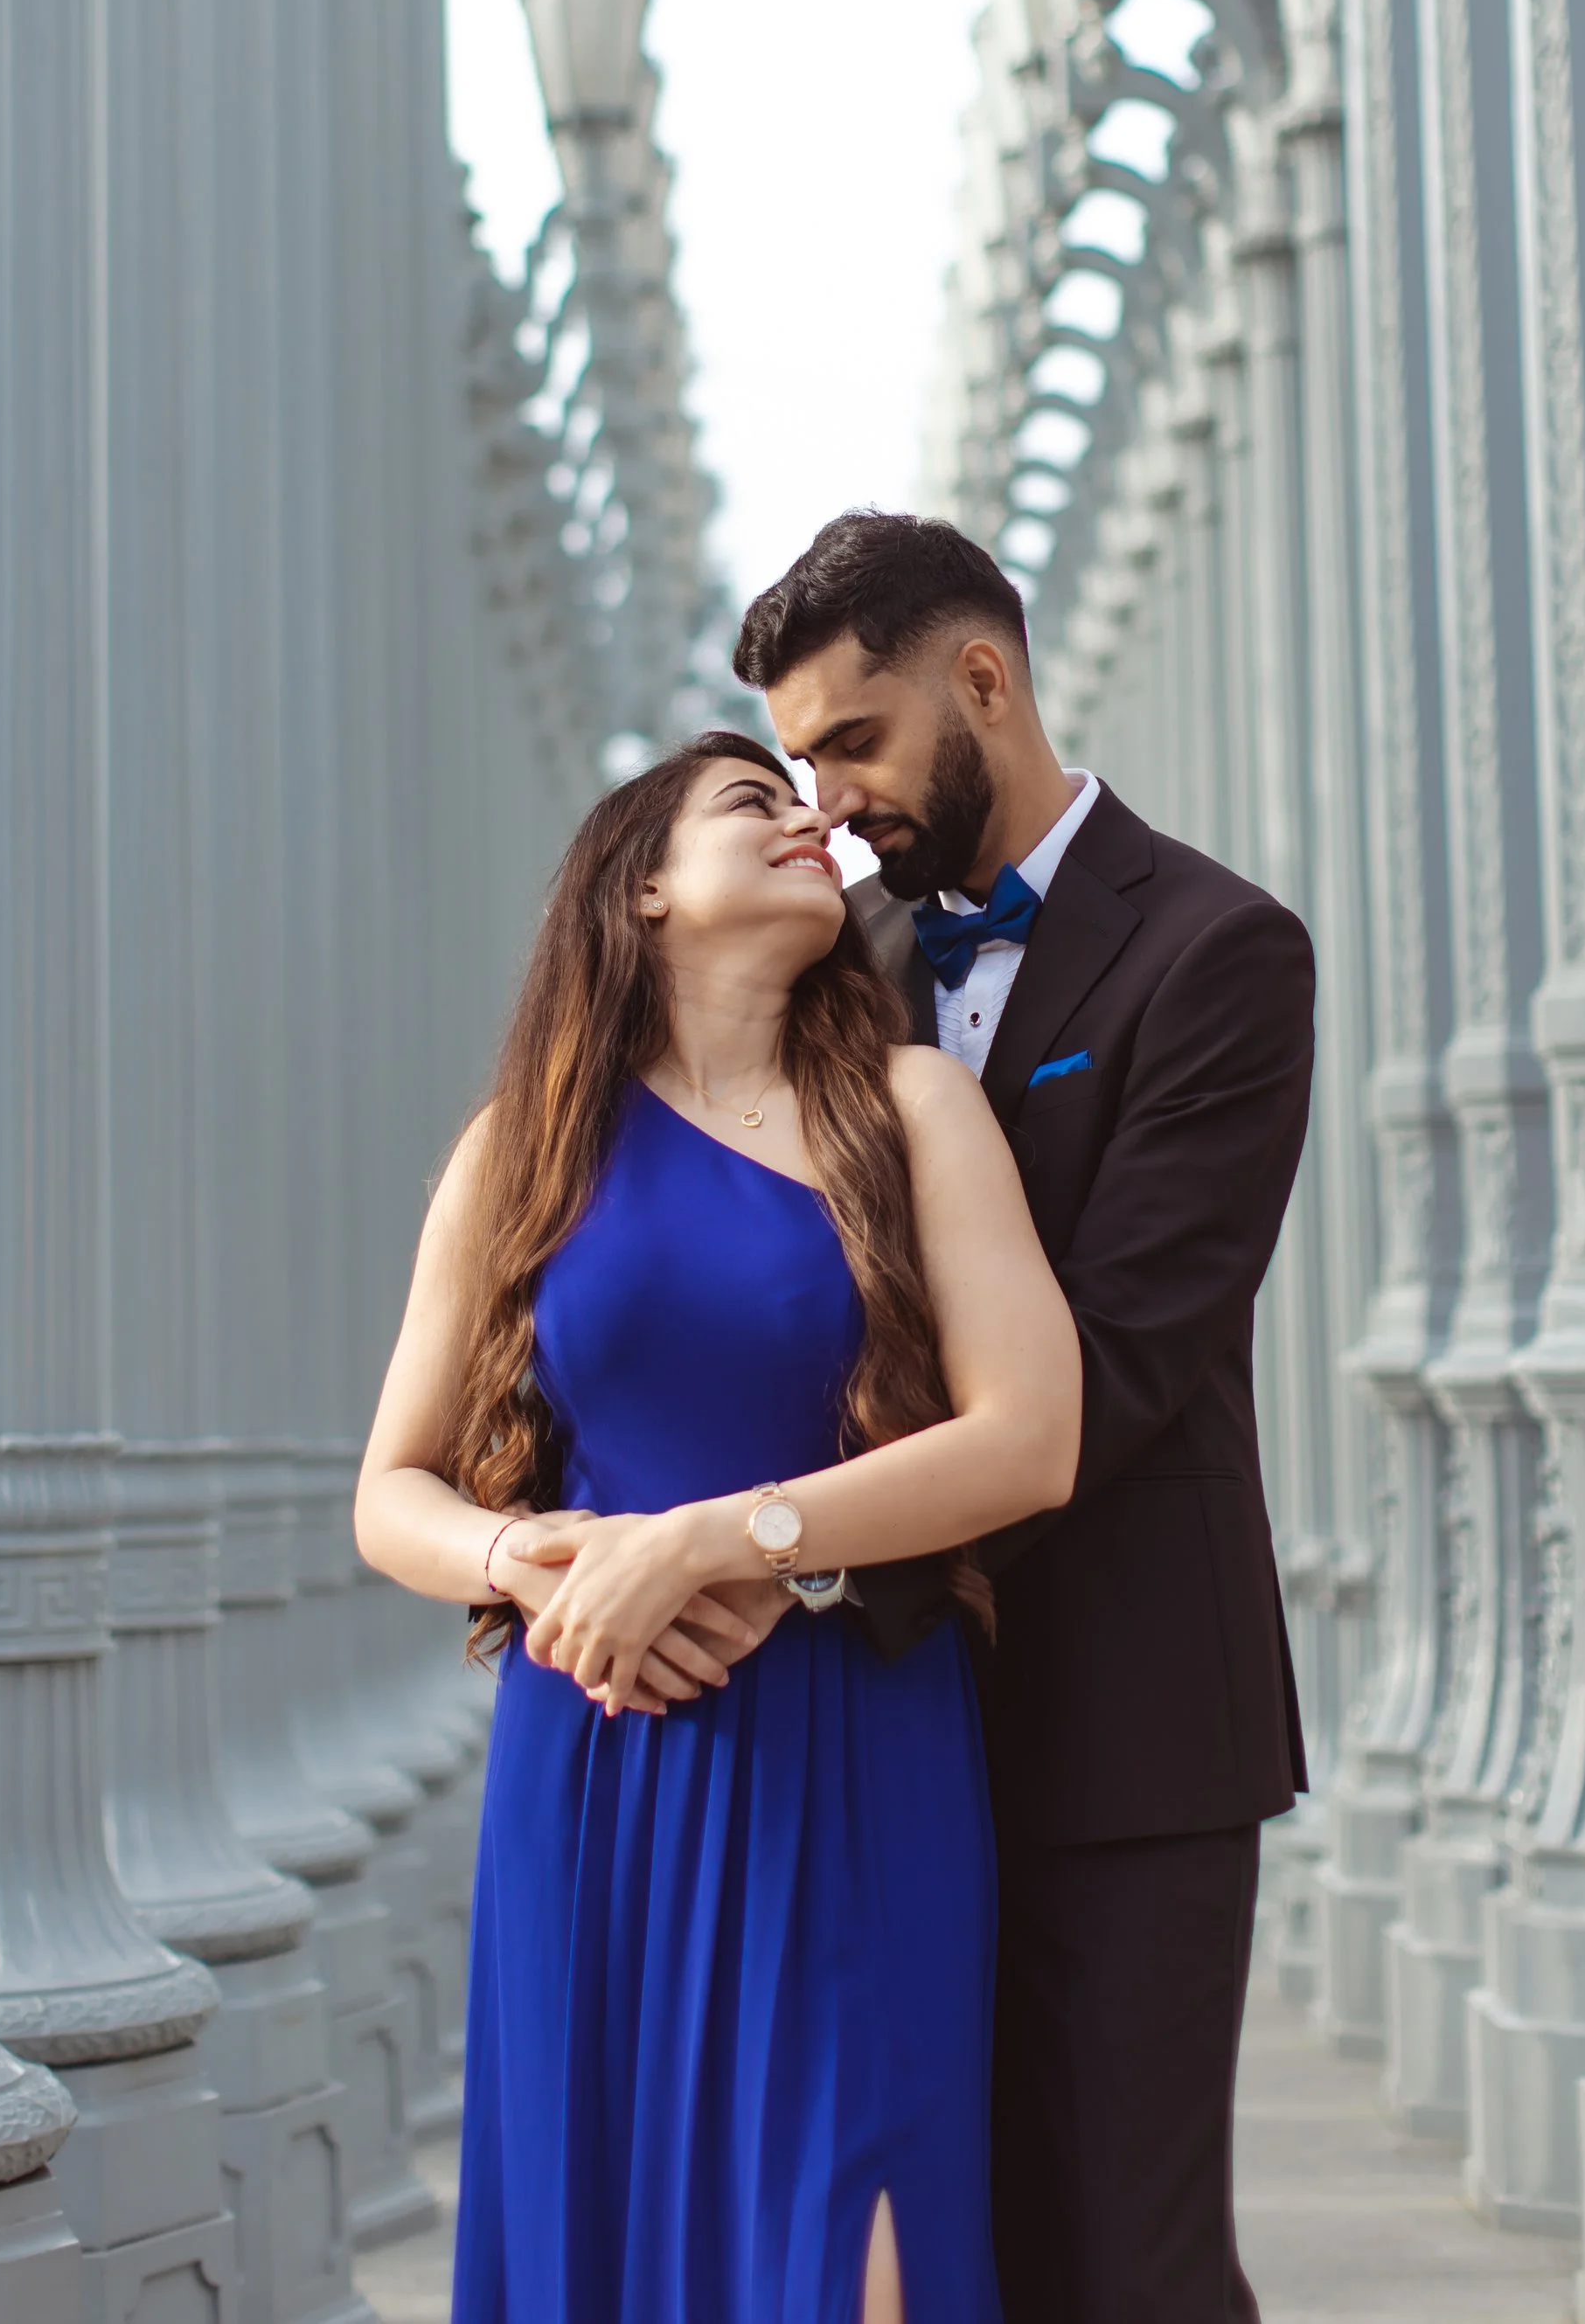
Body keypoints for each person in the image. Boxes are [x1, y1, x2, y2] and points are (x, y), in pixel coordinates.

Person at [356, 729, 1081, 2324]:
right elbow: (392, 1491)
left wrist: (711, 1541)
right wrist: (529, 1557)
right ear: (642, 888)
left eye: (806, 802)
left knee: (863, 2244)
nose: (808, 819)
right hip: (599, 1744)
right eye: (752, 800)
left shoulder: (914, 1106)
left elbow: (1031, 1439)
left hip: (855, 1746)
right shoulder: (522, 1147)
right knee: (611, 2243)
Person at [732, 511, 1314, 2324]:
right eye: (796, 764)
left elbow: (1125, 1358)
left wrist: (799, 1564)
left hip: (1128, 1717)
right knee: (926, 2249)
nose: (827, 803)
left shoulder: (1219, 950)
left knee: (1126, 2265)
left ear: (981, 678)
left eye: (852, 741)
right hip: (876, 1728)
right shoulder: (839, 965)